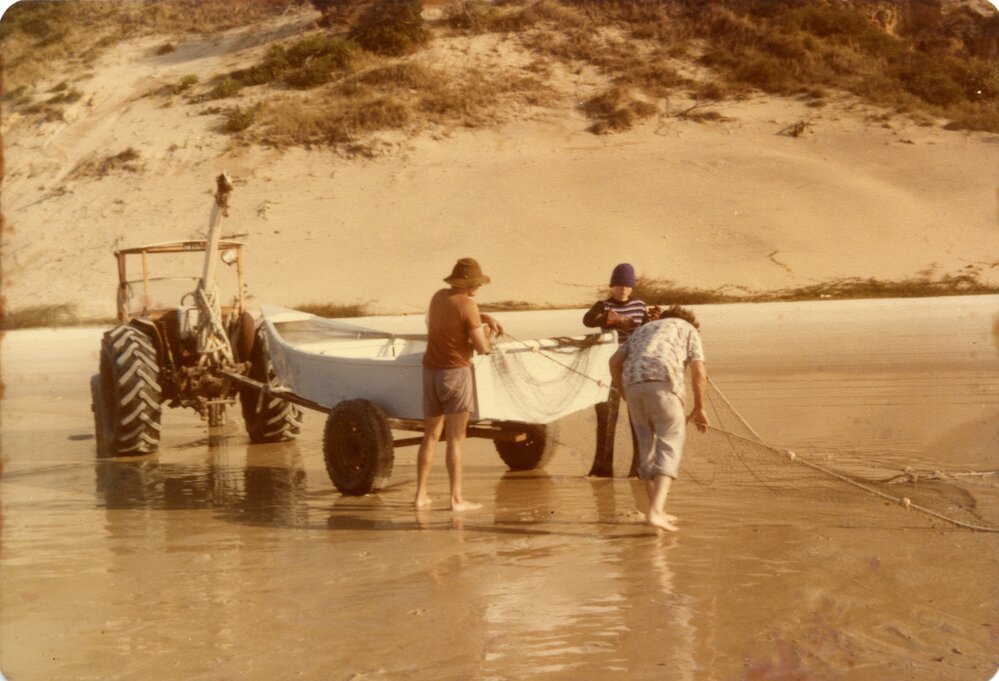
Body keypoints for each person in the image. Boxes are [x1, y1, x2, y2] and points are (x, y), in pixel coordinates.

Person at [608, 304, 709, 532]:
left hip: (633, 385)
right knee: (669, 443)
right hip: (663, 383)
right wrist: (700, 408)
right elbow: (699, 371)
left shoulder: (643, 329)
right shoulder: (688, 329)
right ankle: (655, 513)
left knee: (647, 447)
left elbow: (614, 362)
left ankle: (656, 509)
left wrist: (624, 391)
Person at [415, 257, 503, 512]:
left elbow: (452, 315)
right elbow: (483, 348)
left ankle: (421, 495)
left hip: (430, 372)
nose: (478, 288)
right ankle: (456, 499)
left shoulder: (438, 296)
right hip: (455, 374)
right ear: (471, 284)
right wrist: (490, 331)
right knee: (456, 439)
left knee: (430, 436)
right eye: (477, 283)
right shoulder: (468, 305)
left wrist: (482, 315)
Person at [582, 263, 659, 477]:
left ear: (632, 288)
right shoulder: (603, 305)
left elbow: (645, 331)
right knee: (607, 417)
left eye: (627, 286)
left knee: (637, 416)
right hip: (607, 366)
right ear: (612, 286)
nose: (623, 289)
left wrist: (652, 320)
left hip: (633, 365)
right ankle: (603, 467)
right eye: (619, 285)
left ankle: (638, 468)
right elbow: (587, 321)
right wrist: (609, 318)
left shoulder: (639, 305)